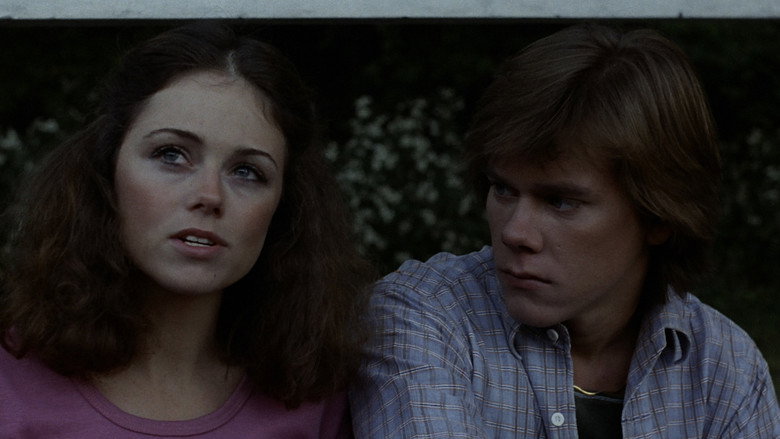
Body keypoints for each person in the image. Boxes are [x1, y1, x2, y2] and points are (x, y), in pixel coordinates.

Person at [350, 23, 780, 438]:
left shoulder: (724, 369)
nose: (515, 233)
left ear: (658, 217)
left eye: (560, 201)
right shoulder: (423, 318)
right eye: (503, 189)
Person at [0, 23, 373, 437]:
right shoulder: (9, 383)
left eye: (247, 171)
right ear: (106, 171)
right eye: (171, 155)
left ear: (285, 207)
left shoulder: (315, 396)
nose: (209, 195)